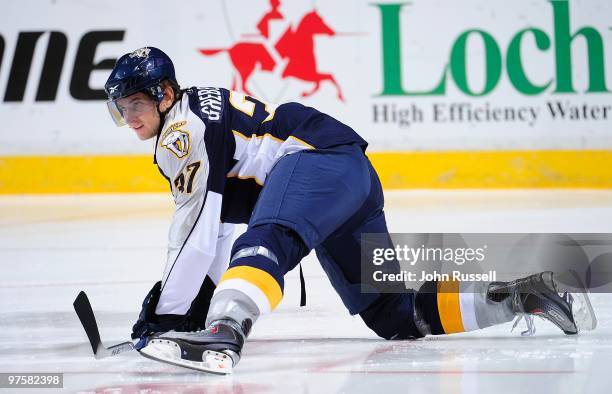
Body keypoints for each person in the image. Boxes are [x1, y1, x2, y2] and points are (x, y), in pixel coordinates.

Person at [104, 47, 596, 374]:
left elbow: (193, 232)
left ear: (164, 94)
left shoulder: (181, 134)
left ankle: (225, 335)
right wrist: (195, 299)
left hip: (315, 161)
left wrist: (166, 315)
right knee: (394, 314)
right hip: (348, 173)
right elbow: (219, 231)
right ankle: (523, 296)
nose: (128, 119)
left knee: (268, 239)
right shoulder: (200, 117)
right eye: (121, 109)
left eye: (132, 106)